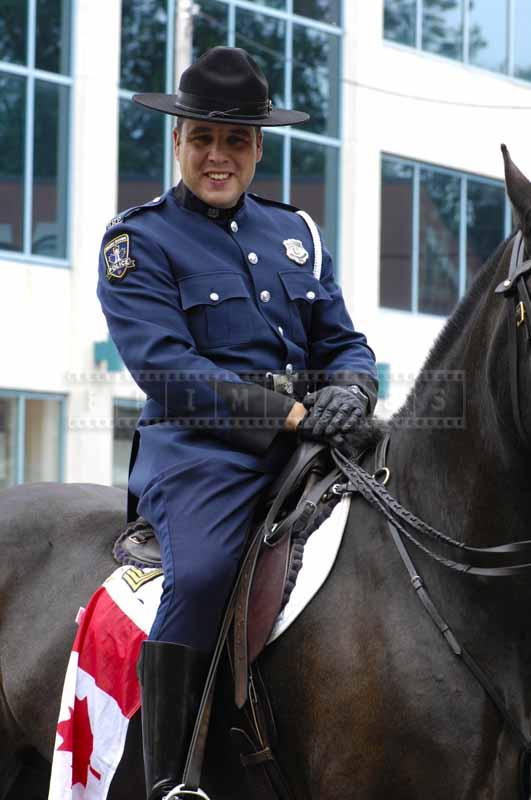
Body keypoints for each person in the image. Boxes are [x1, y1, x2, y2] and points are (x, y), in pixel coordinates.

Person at [97, 46, 378, 800]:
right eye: (202, 139)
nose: (218, 156)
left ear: (257, 147)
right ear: (178, 140)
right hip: (200, 455)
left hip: (316, 441)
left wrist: (352, 387)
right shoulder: (139, 242)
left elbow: (342, 341)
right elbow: (167, 372)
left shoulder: (295, 234)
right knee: (203, 572)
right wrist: (293, 414)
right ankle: (170, 779)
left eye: (236, 141)